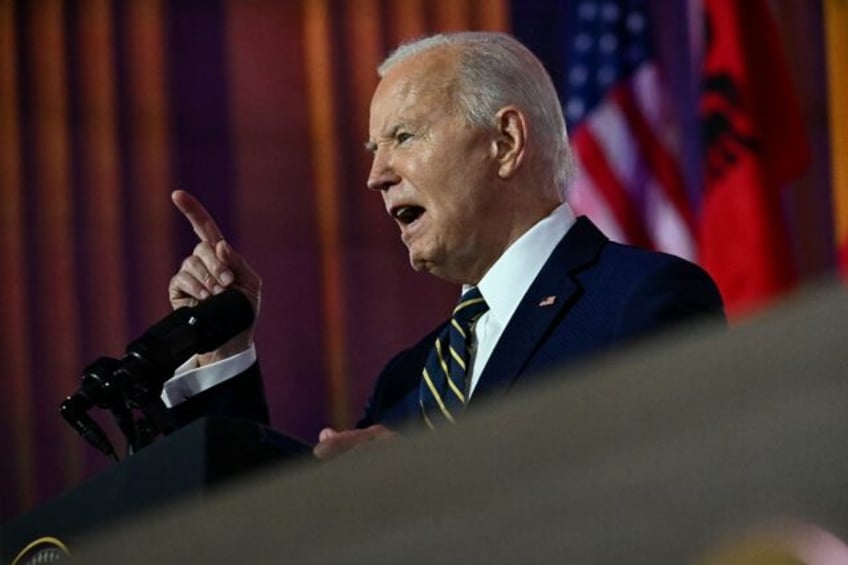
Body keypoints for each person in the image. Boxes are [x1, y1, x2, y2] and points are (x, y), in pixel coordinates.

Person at [163, 31, 725, 459]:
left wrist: (436, 475)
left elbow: (664, 489)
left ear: (505, 142)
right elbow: (278, 533)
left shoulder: (642, 301)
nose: (376, 176)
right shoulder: (407, 379)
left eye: (403, 137)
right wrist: (223, 354)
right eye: (372, 149)